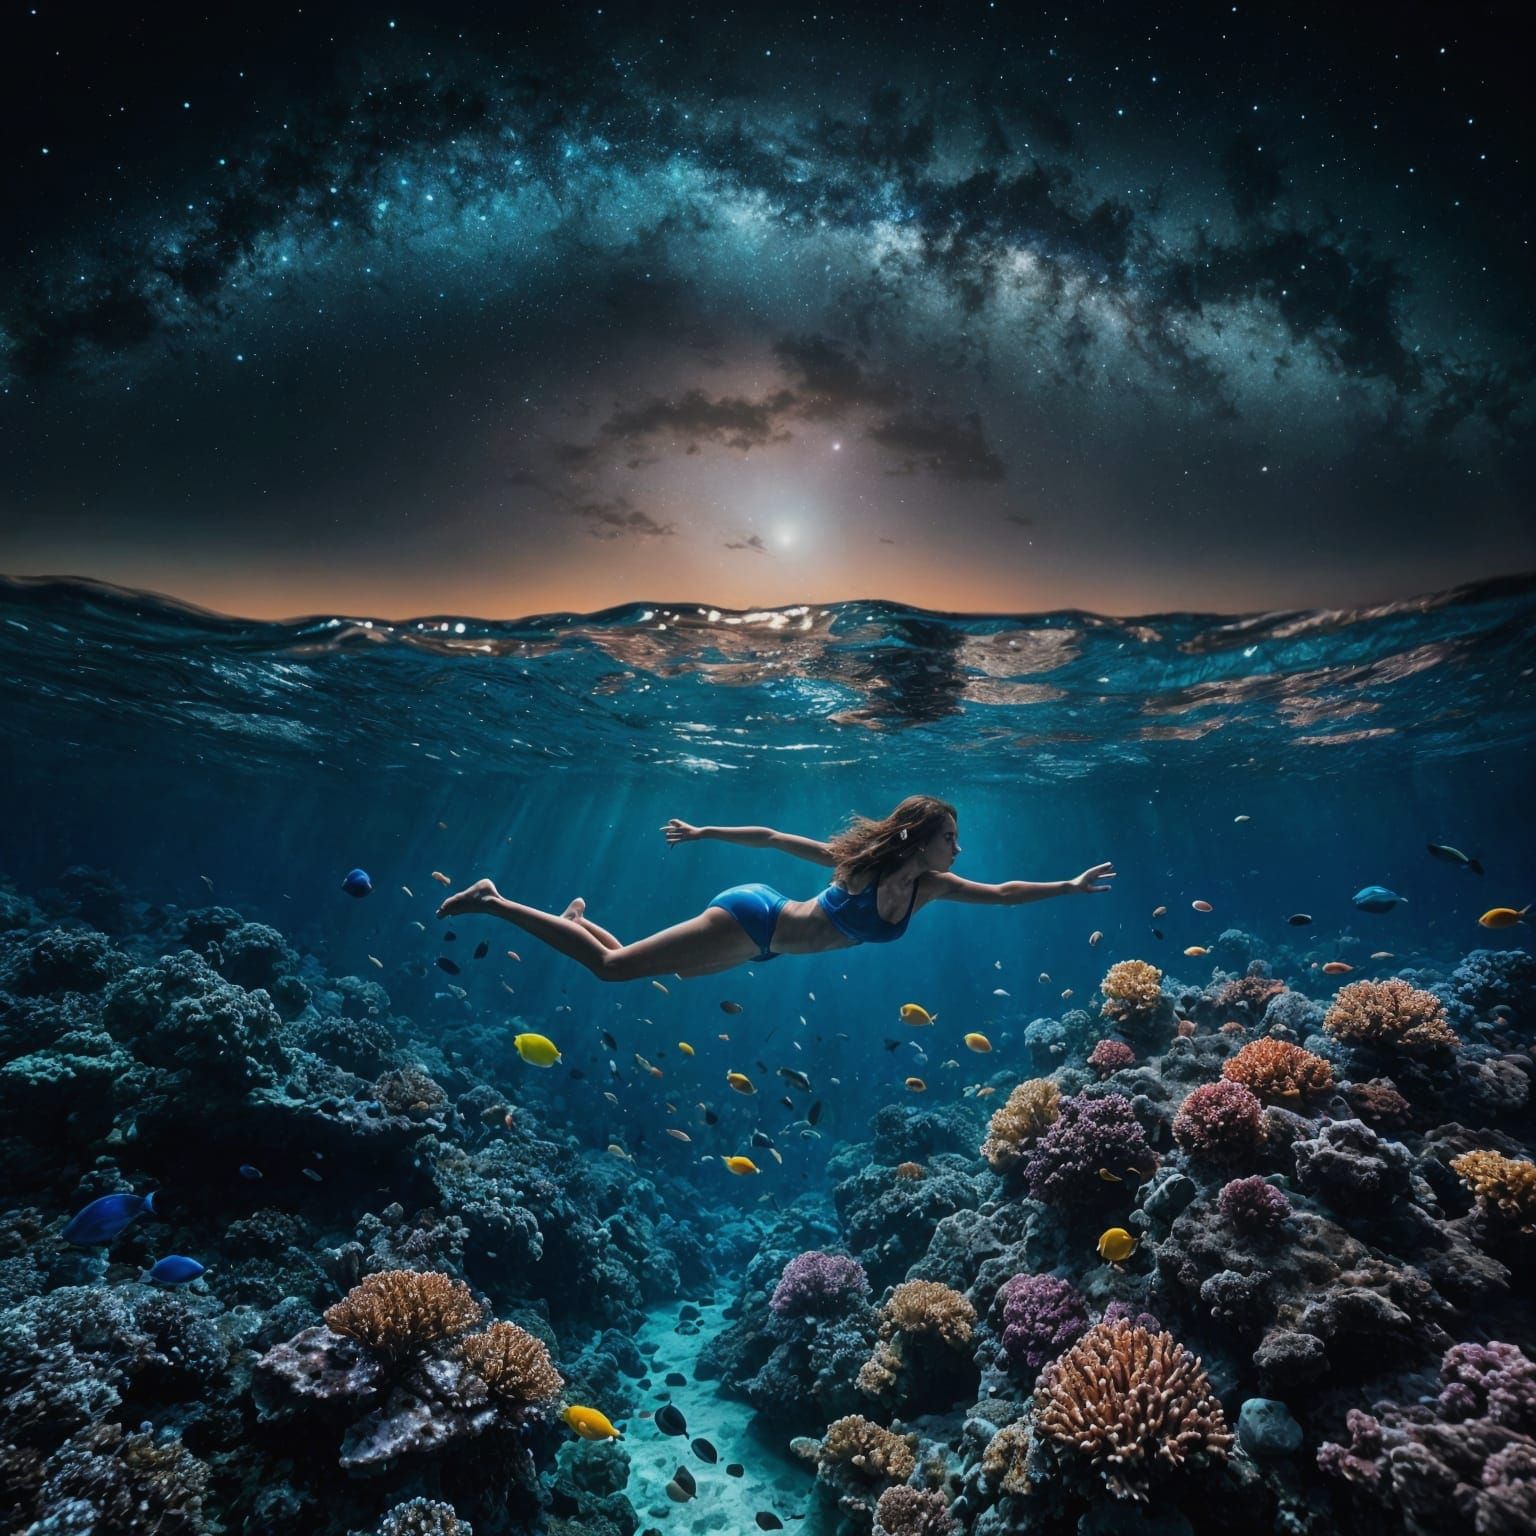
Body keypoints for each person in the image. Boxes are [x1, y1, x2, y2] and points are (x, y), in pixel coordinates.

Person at [435, 793, 1114, 982]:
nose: (958, 850)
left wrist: (1068, 885)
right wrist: (702, 833)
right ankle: (493, 899)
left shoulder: (931, 888)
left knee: (645, 967)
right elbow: (772, 838)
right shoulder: (862, 868)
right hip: (751, 918)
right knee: (613, 971)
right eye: (949, 839)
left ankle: (575, 917)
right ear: (918, 837)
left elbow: (1002, 893)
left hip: (764, 949)